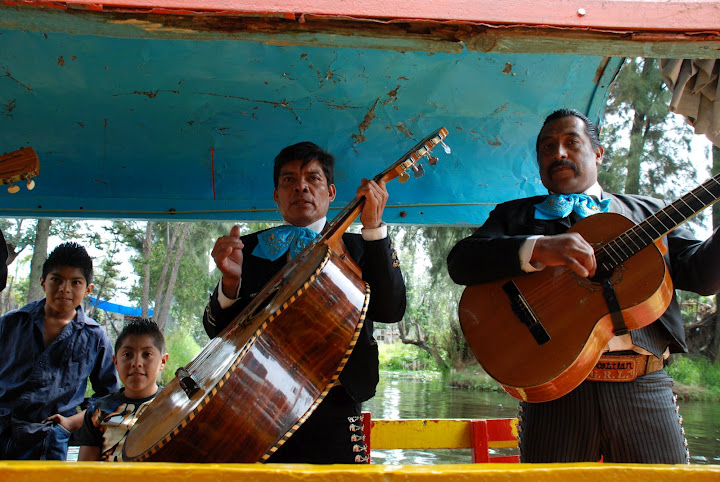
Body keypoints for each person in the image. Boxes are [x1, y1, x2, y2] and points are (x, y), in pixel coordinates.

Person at [447, 108, 720, 464]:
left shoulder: (650, 213)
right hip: (553, 394)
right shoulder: (514, 216)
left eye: (570, 143)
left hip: (644, 388)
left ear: (597, 153)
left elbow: (702, 277)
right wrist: (538, 247)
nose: (558, 152)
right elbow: (461, 261)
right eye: (547, 147)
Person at [203, 141, 406, 464]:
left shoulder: (362, 247)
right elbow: (218, 333)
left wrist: (374, 228)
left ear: (331, 192)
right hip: (256, 408)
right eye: (289, 180)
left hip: (338, 402)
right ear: (276, 196)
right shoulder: (248, 248)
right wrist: (230, 283)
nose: (301, 186)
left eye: (313, 178)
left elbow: (391, 310)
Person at [0, 242, 119, 460]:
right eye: (57, 280)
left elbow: (109, 397)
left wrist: (71, 423)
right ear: (43, 282)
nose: (65, 289)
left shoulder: (95, 336)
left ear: (87, 289)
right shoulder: (11, 324)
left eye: (75, 282)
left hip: (49, 442)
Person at [75, 319, 168, 461]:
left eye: (147, 354)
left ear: (163, 361)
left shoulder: (172, 405)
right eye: (127, 355)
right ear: (115, 361)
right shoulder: (98, 411)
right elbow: (86, 471)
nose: (136, 363)